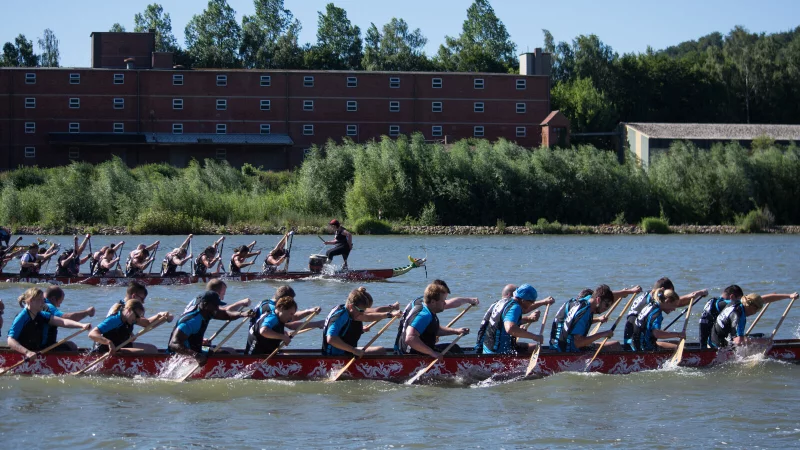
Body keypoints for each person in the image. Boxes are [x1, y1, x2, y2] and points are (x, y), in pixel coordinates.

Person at [168, 290, 253, 365]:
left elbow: (226, 314)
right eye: (215, 306)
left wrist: (242, 314)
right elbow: (173, 344)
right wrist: (196, 355)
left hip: (196, 348)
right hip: (181, 356)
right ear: (205, 304)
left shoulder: (205, 311)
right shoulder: (192, 321)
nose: (217, 308)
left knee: (230, 350)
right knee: (226, 354)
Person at [394, 279, 478, 353]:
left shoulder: (420, 302)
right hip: (411, 353)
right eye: (443, 300)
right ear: (434, 301)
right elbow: (410, 338)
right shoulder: (424, 314)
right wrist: (432, 353)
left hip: (401, 347)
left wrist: (456, 331)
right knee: (454, 351)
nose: (445, 303)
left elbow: (431, 328)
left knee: (453, 348)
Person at [7, 288, 91, 359]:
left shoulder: (42, 315)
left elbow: (63, 321)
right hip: (26, 353)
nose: (43, 303)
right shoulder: (22, 317)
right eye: (40, 300)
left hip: (39, 350)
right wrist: (27, 352)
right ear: (31, 301)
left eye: (43, 300)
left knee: (71, 346)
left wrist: (82, 325)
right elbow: (10, 340)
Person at [622, 277, 706, 349]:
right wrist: (678, 334)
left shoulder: (651, 303)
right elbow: (657, 333)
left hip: (635, 339)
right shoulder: (656, 311)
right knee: (682, 348)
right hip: (640, 345)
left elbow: (674, 302)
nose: (674, 309)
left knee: (677, 343)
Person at [322, 287, 401, 357]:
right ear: (351, 306)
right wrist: (354, 350)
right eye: (361, 311)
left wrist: (389, 315)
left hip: (344, 351)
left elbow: (368, 316)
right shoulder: (340, 316)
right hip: (335, 355)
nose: (362, 313)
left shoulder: (347, 311)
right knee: (381, 351)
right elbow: (331, 339)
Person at [550, 284, 629, 353]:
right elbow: (578, 343)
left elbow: (574, 324)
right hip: (566, 350)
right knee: (616, 346)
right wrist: (603, 334)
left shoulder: (582, 302)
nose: (606, 309)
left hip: (555, 346)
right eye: (606, 305)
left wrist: (598, 319)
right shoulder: (583, 312)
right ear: (598, 300)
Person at [480, 284, 555, 355]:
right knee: (538, 349)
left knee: (533, 347)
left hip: (488, 349)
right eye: (531, 302)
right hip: (499, 352)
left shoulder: (502, 302)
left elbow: (506, 321)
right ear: (523, 300)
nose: (532, 304)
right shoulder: (515, 307)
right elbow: (510, 328)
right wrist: (535, 337)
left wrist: (543, 302)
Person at [710, 292, 799, 348]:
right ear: (751, 306)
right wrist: (762, 342)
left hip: (714, 336)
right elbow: (738, 341)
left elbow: (765, 299)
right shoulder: (738, 316)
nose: (756, 312)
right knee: (761, 339)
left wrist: (789, 296)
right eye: (756, 310)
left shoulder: (739, 302)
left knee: (760, 336)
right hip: (721, 344)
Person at [89, 299, 168, 354]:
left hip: (120, 344)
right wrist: (108, 342)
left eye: (139, 317)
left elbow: (147, 323)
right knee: (141, 352)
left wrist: (160, 316)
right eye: (137, 316)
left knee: (152, 349)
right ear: (129, 310)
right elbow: (92, 334)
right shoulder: (114, 320)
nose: (137, 319)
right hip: (106, 349)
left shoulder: (131, 318)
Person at [43, 286, 95, 351]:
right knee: (71, 346)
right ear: (53, 299)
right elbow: (66, 318)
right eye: (60, 302)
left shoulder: (37, 304)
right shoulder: (48, 307)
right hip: (45, 348)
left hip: (35, 345)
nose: (59, 306)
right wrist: (87, 312)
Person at [250, 285, 322, 331]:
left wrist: (309, 311)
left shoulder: (266, 302)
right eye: (290, 301)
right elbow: (291, 325)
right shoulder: (272, 309)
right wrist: (317, 324)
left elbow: (292, 316)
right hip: (261, 343)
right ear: (284, 300)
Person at [183, 279, 251, 315]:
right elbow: (225, 311)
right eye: (223, 294)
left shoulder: (200, 299)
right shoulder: (206, 303)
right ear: (216, 293)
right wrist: (242, 302)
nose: (222, 298)